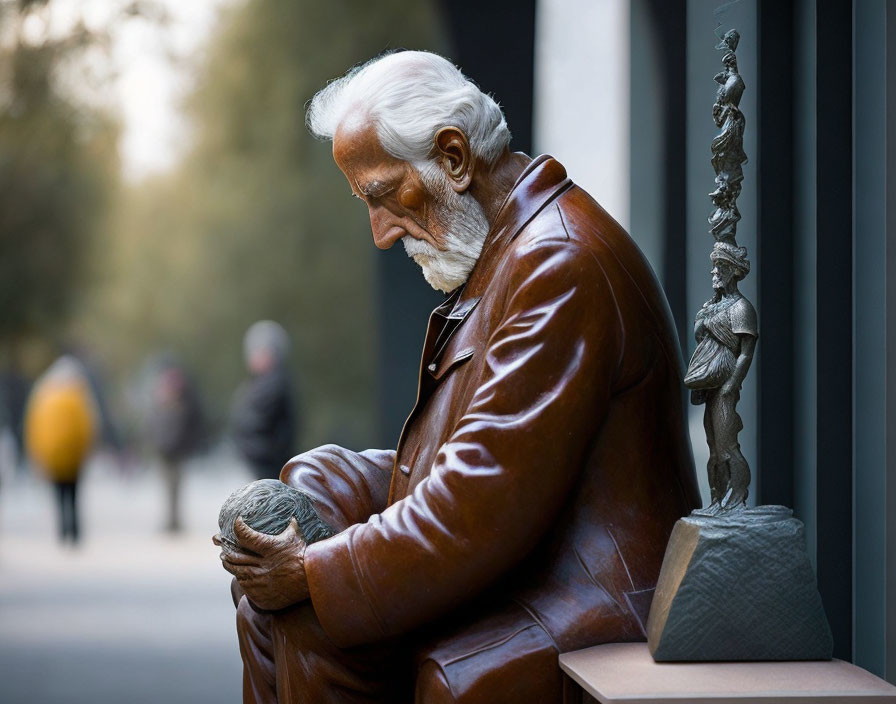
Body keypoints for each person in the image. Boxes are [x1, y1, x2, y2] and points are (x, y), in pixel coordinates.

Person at [216, 50, 699, 703]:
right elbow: (473, 464)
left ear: (453, 158)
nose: (381, 232)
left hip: (590, 593)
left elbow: (478, 503)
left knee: (318, 620)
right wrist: (323, 490)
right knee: (273, 593)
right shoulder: (508, 253)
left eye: (383, 196)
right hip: (531, 563)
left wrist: (314, 570)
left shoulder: (558, 264)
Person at [684, 242, 757, 508]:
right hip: (711, 384)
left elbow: (746, 352)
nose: (715, 273)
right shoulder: (712, 306)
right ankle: (717, 500)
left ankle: (737, 499)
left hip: (725, 384)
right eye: (714, 267)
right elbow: (700, 336)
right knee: (713, 449)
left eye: (720, 267)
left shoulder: (741, 309)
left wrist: (732, 384)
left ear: (732, 271)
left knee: (727, 447)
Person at [24, 356, 97, 544]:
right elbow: (87, 427)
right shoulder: (78, 396)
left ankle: (62, 532)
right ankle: (74, 532)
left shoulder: (43, 396)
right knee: (73, 494)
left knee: (58, 495)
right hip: (74, 457)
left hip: (52, 456)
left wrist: (36, 454)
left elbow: (34, 428)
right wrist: (88, 451)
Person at [230, 321, 297, 480]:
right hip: (258, 464)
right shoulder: (261, 383)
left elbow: (252, 423)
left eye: (260, 351)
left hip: (267, 467)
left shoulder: (275, 385)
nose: (254, 357)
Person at [147, 356, 206, 533]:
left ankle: (174, 521)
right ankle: (171, 520)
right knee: (168, 486)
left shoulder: (183, 400)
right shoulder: (162, 400)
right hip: (165, 449)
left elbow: (188, 425)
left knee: (175, 486)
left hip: (176, 449)